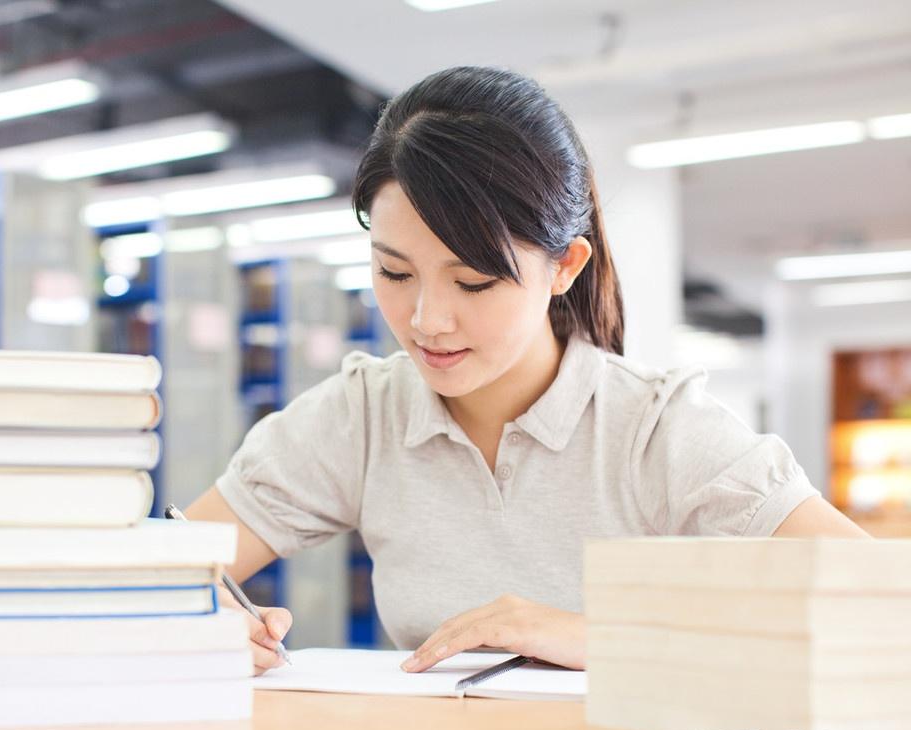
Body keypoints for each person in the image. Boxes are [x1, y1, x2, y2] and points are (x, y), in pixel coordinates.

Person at [184, 66, 870, 677]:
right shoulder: (360, 416)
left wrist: (603, 638)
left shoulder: (657, 431)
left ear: (565, 267)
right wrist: (207, 624)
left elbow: (877, 603)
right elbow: (157, 581)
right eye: (394, 272)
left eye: (475, 282)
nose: (426, 320)